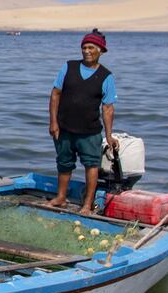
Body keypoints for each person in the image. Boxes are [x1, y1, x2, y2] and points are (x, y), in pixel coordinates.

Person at [43, 29, 117, 214]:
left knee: (91, 165)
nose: (87, 51)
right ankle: (61, 197)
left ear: (101, 50)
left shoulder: (106, 76)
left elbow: (107, 108)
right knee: (64, 163)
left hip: (90, 132)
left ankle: (87, 205)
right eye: (84, 47)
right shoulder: (68, 67)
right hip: (64, 128)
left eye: (91, 47)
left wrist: (108, 136)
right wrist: (53, 122)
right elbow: (55, 95)